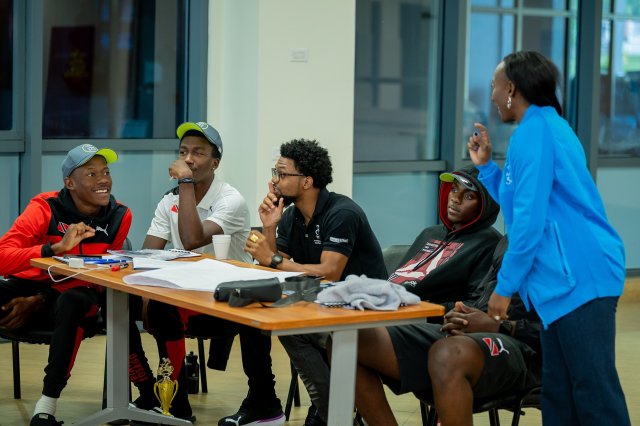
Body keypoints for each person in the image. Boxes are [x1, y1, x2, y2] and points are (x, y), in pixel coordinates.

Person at [469, 51, 630, 425]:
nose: (492, 95)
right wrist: (487, 169)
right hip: (557, 285)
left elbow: (529, 222)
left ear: (512, 89)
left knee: (593, 393)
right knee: (558, 396)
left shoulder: (537, 133)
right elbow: (518, 204)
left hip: (581, 278)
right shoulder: (535, 130)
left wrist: (504, 287)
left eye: (495, 86)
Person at [128, 121, 285, 426]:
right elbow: (148, 254)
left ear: (215, 163)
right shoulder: (169, 200)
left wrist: (185, 183)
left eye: (198, 153)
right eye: (183, 152)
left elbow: (192, 239)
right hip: (183, 296)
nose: (188, 159)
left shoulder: (230, 200)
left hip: (227, 305)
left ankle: (175, 404)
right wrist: (145, 290)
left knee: (161, 307)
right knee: (116, 304)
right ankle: (152, 391)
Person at [244, 139, 385, 425]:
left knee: (294, 328)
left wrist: (272, 259)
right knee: (275, 322)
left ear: (307, 181)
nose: (274, 182)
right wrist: (270, 226)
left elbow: (329, 272)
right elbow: (276, 267)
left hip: (365, 311)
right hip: (327, 305)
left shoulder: (342, 213)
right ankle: (332, 411)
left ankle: (332, 412)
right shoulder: (292, 216)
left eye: (282, 174)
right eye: (275, 173)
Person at [0, 144, 132, 426]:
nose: (103, 180)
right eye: (92, 174)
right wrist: (54, 248)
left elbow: (105, 275)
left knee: (74, 300)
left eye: (106, 172)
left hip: (75, 294)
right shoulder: (44, 207)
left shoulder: (120, 215)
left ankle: (46, 406)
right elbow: (2, 258)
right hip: (25, 289)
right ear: (70, 183)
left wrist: (41, 299)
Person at [353, 236, 542, 426]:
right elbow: (485, 295)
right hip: (477, 333)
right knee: (354, 341)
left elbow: (560, 331)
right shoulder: (511, 238)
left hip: (527, 347)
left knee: (449, 353)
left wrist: (502, 326)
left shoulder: (557, 239)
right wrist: (465, 316)